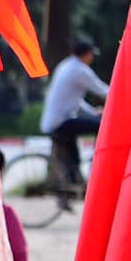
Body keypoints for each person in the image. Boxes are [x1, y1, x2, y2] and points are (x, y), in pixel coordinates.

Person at [40, 38, 108, 196]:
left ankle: (74, 180)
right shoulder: (80, 71)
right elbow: (104, 91)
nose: (91, 58)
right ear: (86, 54)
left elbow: (75, 100)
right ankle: (96, 166)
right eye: (91, 54)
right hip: (61, 121)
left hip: (55, 120)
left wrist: (92, 111)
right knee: (102, 126)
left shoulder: (66, 65)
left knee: (73, 155)